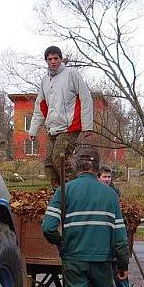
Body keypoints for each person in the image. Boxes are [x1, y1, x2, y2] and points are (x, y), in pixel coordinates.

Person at [42, 147, 128, 287]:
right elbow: (120, 236)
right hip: (102, 260)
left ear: (77, 167)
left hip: (74, 260)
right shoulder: (110, 195)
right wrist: (122, 264)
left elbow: (48, 227)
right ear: (97, 169)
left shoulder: (65, 191)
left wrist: (62, 244)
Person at [27, 45, 93, 187]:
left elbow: (86, 98)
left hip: (69, 127)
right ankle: (59, 196)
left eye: (55, 58)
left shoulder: (71, 74)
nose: (53, 61)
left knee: (59, 158)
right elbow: (40, 105)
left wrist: (88, 125)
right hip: (52, 127)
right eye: (49, 59)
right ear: (46, 61)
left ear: (61, 59)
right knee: (49, 164)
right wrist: (33, 130)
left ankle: (78, 189)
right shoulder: (45, 80)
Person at [98, 165, 137, 287]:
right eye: (104, 177)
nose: (107, 179)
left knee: (118, 264)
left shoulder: (115, 192)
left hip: (114, 234)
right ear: (98, 177)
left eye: (109, 177)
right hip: (101, 235)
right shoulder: (95, 192)